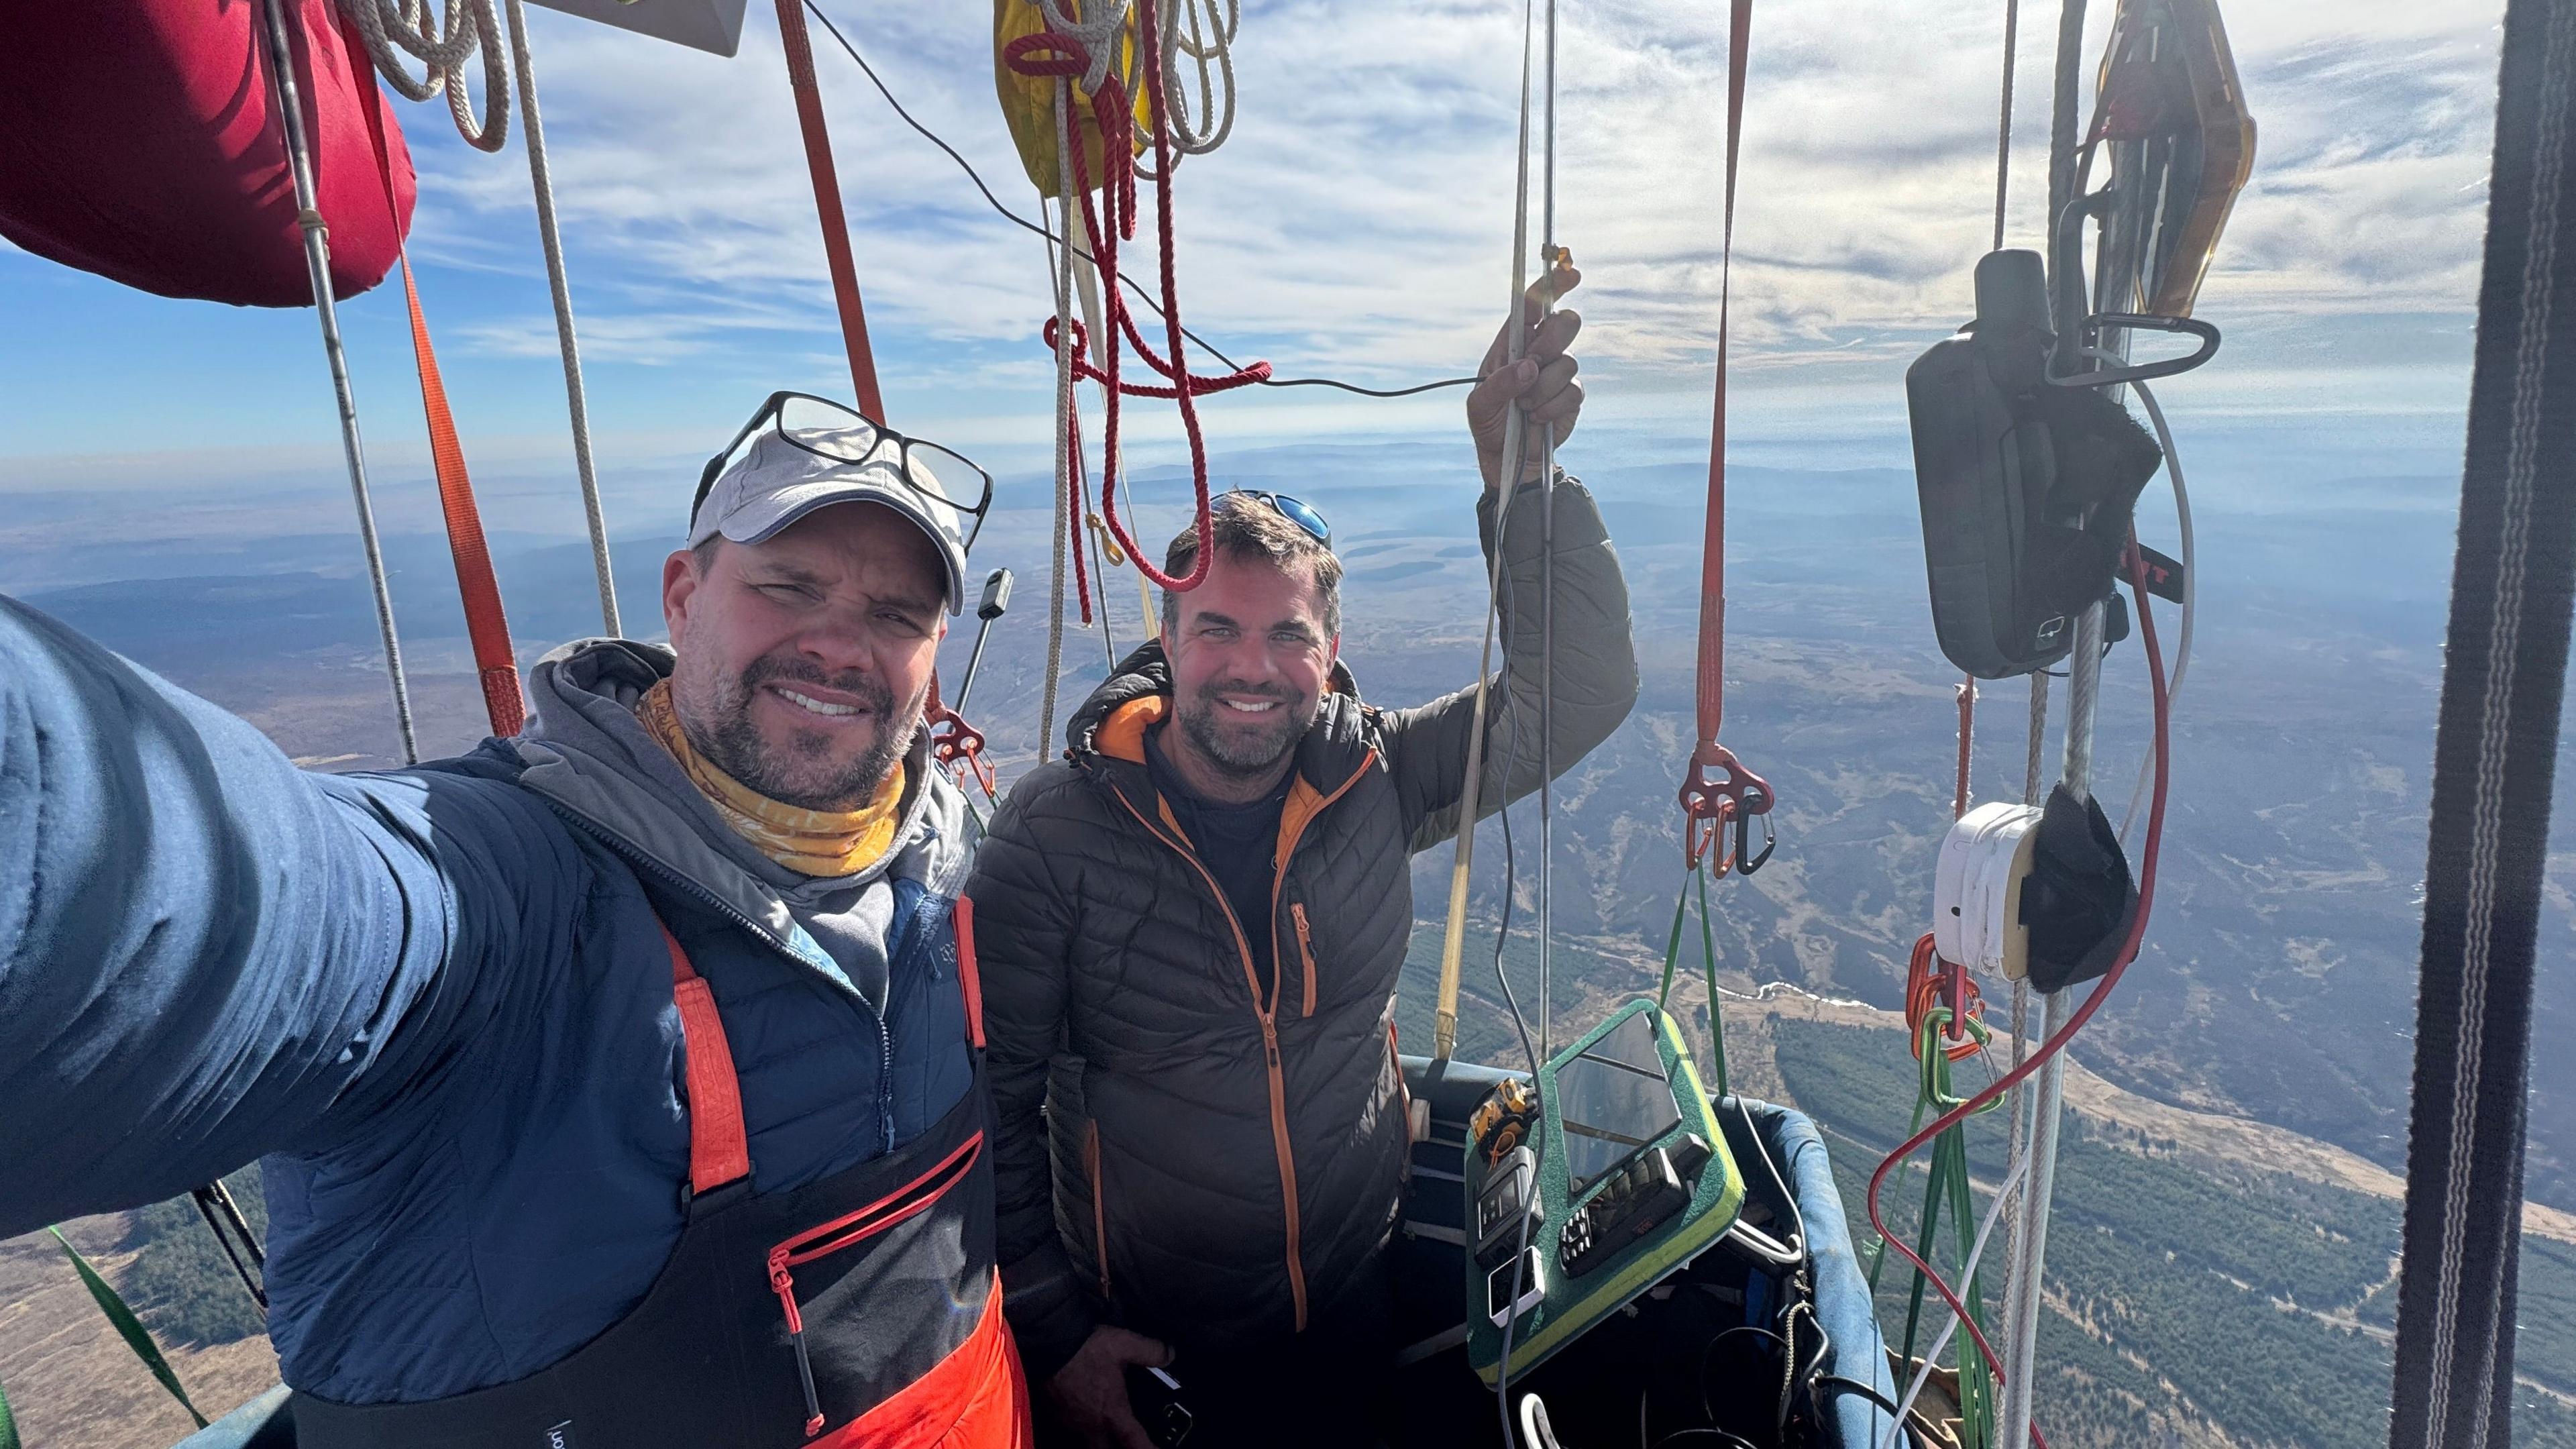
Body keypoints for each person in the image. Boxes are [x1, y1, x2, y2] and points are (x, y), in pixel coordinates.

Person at [0, 394, 1030, 1448]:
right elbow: (237, 898)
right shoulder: (512, 891)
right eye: (789, 585)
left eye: (896, 615)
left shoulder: (946, 869)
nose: (841, 646)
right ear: (682, 597)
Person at [967, 264, 1640, 1448]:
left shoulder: (1376, 778)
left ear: (1330, 650)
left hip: (1349, 1295)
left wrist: (1520, 479)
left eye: (1288, 634)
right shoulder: (1057, 835)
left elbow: (1578, 691)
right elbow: (989, 1108)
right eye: (1216, 627)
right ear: (1166, 638)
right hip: (1154, 1344)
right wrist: (1054, 1330)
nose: (1250, 665)